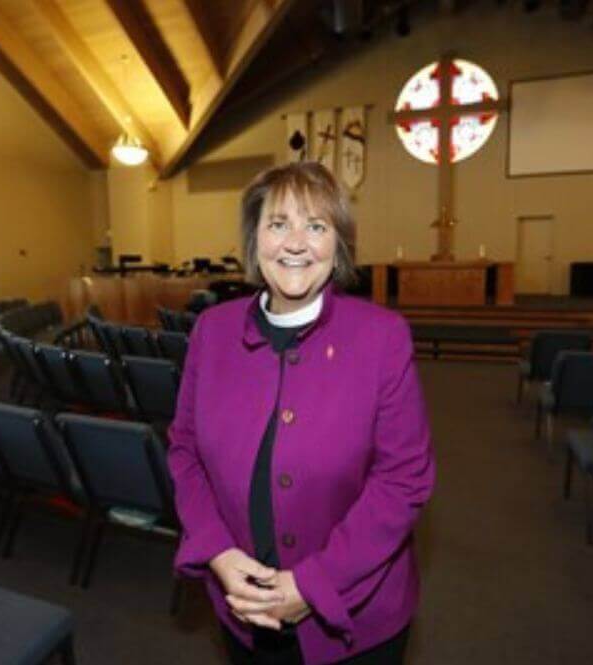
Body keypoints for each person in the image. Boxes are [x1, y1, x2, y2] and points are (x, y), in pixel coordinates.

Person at [167, 161, 435, 665]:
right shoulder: (211, 330)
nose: (295, 243)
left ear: (339, 244)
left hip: (357, 618)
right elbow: (185, 451)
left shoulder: (382, 336)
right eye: (277, 224)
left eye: (315, 226)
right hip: (241, 606)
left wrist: (315, 584)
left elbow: (404, 479)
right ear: (254, 240)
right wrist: (217, 551)